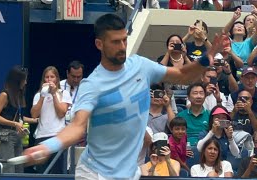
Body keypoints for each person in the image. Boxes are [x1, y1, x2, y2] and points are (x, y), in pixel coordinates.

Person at [23, 13, 225, 179]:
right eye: (115, 42)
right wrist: (48, 146)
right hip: (94, 173)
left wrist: (204, 61)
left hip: (128, 174)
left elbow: (183, 74)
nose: (122, 47)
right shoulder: (92, 85)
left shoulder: (141, 66)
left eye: (124, 40)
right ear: (99, 44)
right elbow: (77, 128)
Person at [30, 66, 72, 174]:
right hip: (41, 136)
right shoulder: (39, 95)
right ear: (43, 79)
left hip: (57, 136)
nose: (49, 80)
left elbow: (61, 113)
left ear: (57, 79)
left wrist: (54, 94)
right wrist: (43, 95)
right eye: (47, 77)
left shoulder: (64, 93)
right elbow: (34, 114)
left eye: (52, 77)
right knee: (42, 171)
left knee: (57, 171)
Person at [0, 65, 28, 173]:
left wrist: (36, 120)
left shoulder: (17, 96)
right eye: (24, 80)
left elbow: (17, 117)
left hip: (16, 135)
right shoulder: (4, 95)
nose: (25, 82)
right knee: (8, 170)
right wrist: (14, 124)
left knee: (19, 169)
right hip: (4, 136)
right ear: (17, 81)